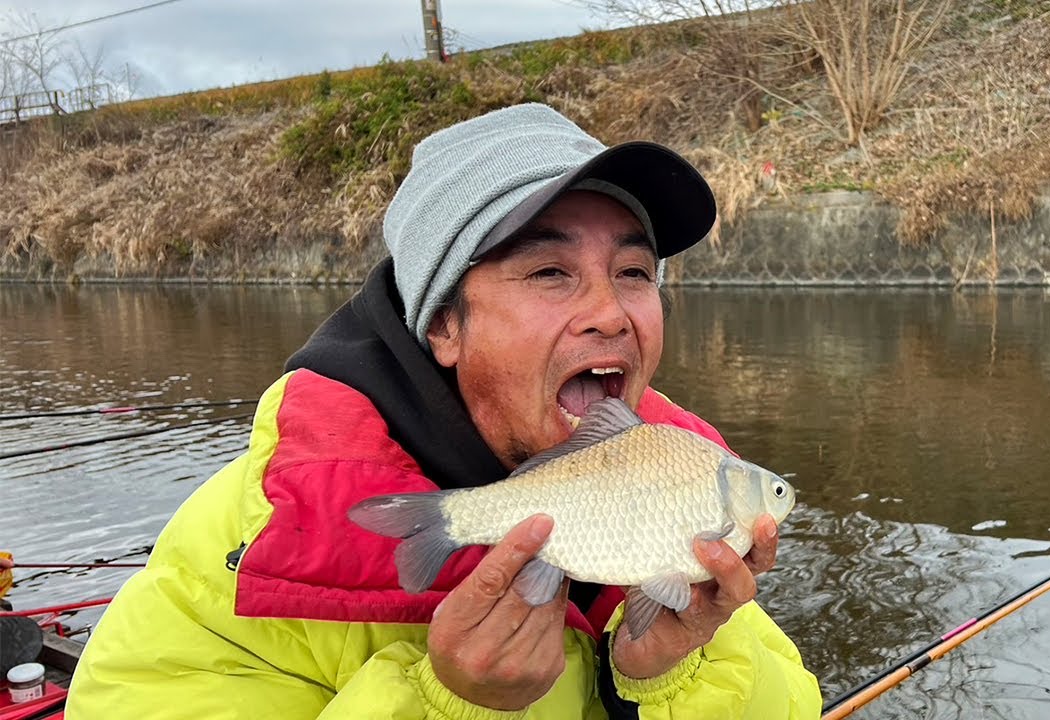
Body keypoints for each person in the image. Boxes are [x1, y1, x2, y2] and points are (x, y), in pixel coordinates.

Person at [66, 104, 821, 719]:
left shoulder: (688, 490)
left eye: (633, 271)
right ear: (443, 327)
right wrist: (451, 704)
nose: (611, 313)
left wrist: (666, 679)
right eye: (550, 271)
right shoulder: (249, 549)